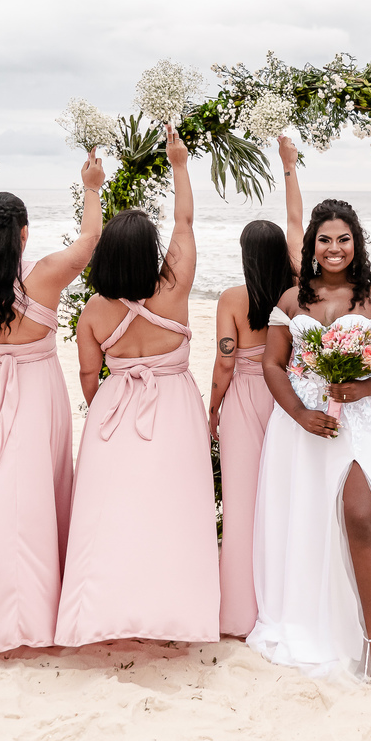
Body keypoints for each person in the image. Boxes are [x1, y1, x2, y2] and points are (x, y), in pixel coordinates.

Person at [0, 150, 105, 654]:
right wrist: (91, 186)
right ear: (24, 234)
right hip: (35, 390)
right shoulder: (46, 274)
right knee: (32, 493)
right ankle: (35, 611)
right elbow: (90, 241)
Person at [247, 198, 371, 684]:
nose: (334, 248)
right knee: (309, 522)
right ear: (311, 246)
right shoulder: (290, 301)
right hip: (305, 424)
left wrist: (361, 388)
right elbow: (272, 364)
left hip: (361, 420)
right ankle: (321, 623)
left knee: (362, 515)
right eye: (325, 239)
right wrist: (301, 413)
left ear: (356, 243)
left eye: (343, 239)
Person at [56, 129, 221, 645]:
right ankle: (175, 614)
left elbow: (88, 375)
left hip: (115, 409)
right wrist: (179, 165)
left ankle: (105, 612)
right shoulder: (174, 290)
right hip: (172, 405)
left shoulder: (93, 311)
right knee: (173, 507)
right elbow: (186, 222)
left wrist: (104, 400)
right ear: (149, 253)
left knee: (111, 511)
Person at [208, 136, 302, 637]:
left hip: (246, 396)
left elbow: (224, 364)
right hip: (289, 395)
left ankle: (241, 612)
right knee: (287, 496)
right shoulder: (295, 291)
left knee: (244, 502)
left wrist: (212, 410)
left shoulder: (231, 297)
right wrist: (289, 168)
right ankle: (288, 599)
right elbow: (296, 226)